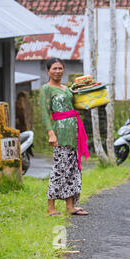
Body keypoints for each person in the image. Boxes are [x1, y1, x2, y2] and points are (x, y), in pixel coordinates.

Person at [40, 58, 89, 216]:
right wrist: (50, 133)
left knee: (73, 169)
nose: (58, 71)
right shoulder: (46, 89)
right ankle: (50, 208)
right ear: (48, 71)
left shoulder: (67, 89)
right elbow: (45, 113)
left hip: (73, 132)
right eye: (54, 68)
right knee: (59, 169)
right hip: (59, 132)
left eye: (60, 68)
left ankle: (70, 206)